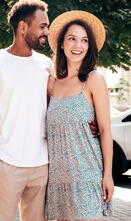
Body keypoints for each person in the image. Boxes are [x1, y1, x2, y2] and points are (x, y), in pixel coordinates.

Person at [0, 0, 98, 221]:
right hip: (7, 163)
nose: (47, 32)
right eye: (42, 26)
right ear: (22, 27)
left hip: (42, 166)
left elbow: (60, 105)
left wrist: (90, 124)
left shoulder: (45, 65)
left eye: (47, 26)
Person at [45, 11, 114, 221]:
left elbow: (104, 130)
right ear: (62, 45)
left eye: (84, 40)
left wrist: (108, 175)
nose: (78, 45)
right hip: (58, 179)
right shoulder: (51, 84)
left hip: (87, 177)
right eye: (72, 39)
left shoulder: (94, 79)